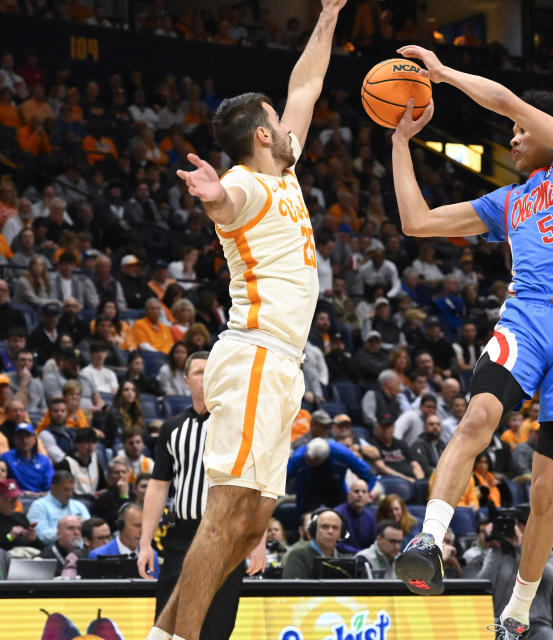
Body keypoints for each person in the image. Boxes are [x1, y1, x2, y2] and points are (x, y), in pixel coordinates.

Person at [390, 45, 553, 640]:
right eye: (512, 132)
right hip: (526, 321)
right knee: (476, 420)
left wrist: (443, 75)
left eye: (520, 132)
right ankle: (428, 540)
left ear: (551, 132)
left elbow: (507, 100)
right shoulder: (507, 201)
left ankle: (517, 611)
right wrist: (398, 146)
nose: (512, 140)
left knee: (548, 489)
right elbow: (417, 222)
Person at [148, 3, 346, 638]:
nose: (288, 125)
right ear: (263, 134)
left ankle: (161, 633)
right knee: (226, 514)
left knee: (254, 523)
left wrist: (328, 16)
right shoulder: (248, 184)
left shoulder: (282, 169)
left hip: (281, 364)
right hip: (256, 353)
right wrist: (215, 197)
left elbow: (306, 85)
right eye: (276, 122)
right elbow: (230, 202)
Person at [138, 351, 262, 640]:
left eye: (212, 371)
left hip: (225, 537)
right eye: (199, 372)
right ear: (186, 381)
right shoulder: (172, 429)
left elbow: (256, 484)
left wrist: (257, 540)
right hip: (182, 535)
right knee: (168, 624)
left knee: (216, 626)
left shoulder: (238, 427)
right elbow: (158, 485)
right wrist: (145, 542)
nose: (206, 378)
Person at [476, 509, 553, 640]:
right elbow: (482, 585)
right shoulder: (496, 554)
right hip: (500, 623)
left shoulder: (549, 555)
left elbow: (551, 578)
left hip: (536, 624)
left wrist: (523, 547)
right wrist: (495, 546)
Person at [89, 503, 159, 577]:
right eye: (137, 526)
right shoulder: (98, 555)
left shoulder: (152, 555)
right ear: (121, 526)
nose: (142, 531)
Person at [26, 470, 90, 545]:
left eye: (72, 490)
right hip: (52, 553)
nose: (69, 494)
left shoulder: (79, 506)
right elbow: (40, 535)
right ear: (53, 488)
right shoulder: (39, 506)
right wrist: (66, 531)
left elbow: (90, 530)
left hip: (81, 552)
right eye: (66, 490)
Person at [281, 509, 347, 579]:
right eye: (325, 526)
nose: (330, 531)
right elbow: (293, 589)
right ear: (314, 531)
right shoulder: (298, 556)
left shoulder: (344, 560)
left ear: (341, 534)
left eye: (335, 528)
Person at [2, 423, 53, 495]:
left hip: (39, 500)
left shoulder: (44, 461)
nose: (24, 440)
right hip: (13, 499)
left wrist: (37, 495)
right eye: (20, 437)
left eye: (27, 436)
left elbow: (50, 488)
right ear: (14, 439)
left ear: (34, 439)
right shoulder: (6, 458)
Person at [0, 478, 43, 552]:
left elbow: (41, 548)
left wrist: (33, 539)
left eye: (16, 499)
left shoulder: (21, 518)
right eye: (10, 499)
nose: (14, 503)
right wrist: (10, 537)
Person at [334, 479, 377, 553]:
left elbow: (373, 544)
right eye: (356, 491)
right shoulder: (337, 514)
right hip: (341, 557)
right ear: (348, 495)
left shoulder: (370, 517)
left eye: (364, 492)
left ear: (368, 496)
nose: (360, 495)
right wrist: (361, 553)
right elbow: (336, 543)